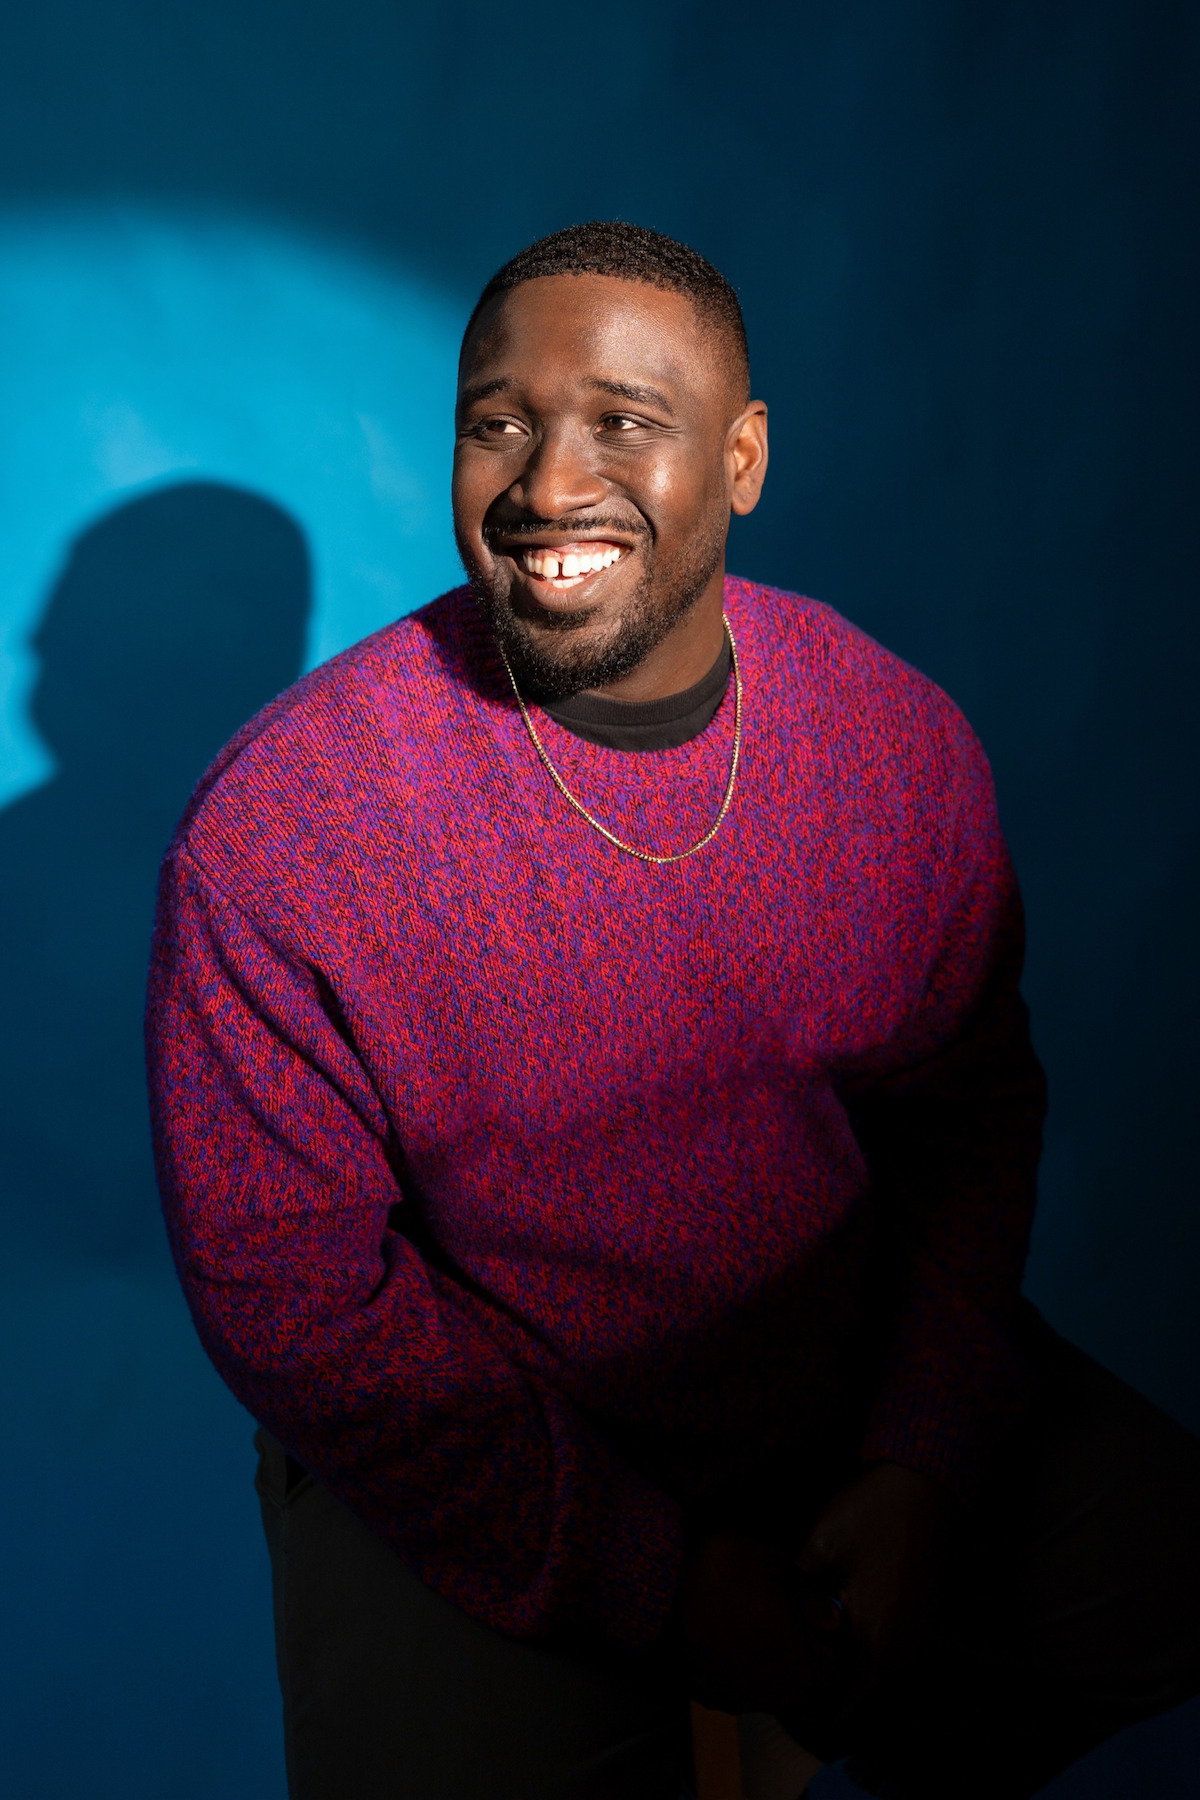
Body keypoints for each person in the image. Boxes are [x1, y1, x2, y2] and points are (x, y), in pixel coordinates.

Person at [145, 223, 1200, 1800]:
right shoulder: (282, 829)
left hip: (825, 1389)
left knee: (1165, 1572)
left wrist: (921, 1455)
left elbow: (968, 1121)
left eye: (625, 421)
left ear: (746, 457)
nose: (549, 484)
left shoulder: (893, 745)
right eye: (498, 423)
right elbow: (299, 1306)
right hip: (486, 1445)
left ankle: (812, 1717)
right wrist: (673, 1589)